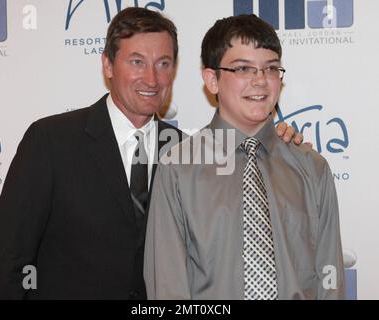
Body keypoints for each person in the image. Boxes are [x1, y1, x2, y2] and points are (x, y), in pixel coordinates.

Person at [0, 8, 301, 299]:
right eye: (137, 62)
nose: (151, 79)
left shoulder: (188, 151)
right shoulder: (51, 141)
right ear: (108, 64)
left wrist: (279, 142)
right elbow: (6, 263)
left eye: (163, 64)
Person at [144, 14, 344, 300]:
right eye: (243, 69)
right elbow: (167, 285)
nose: (260, 81)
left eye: (271, 68)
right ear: (212, 79)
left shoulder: (312, 167)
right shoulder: (178, 169)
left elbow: (329, 277)